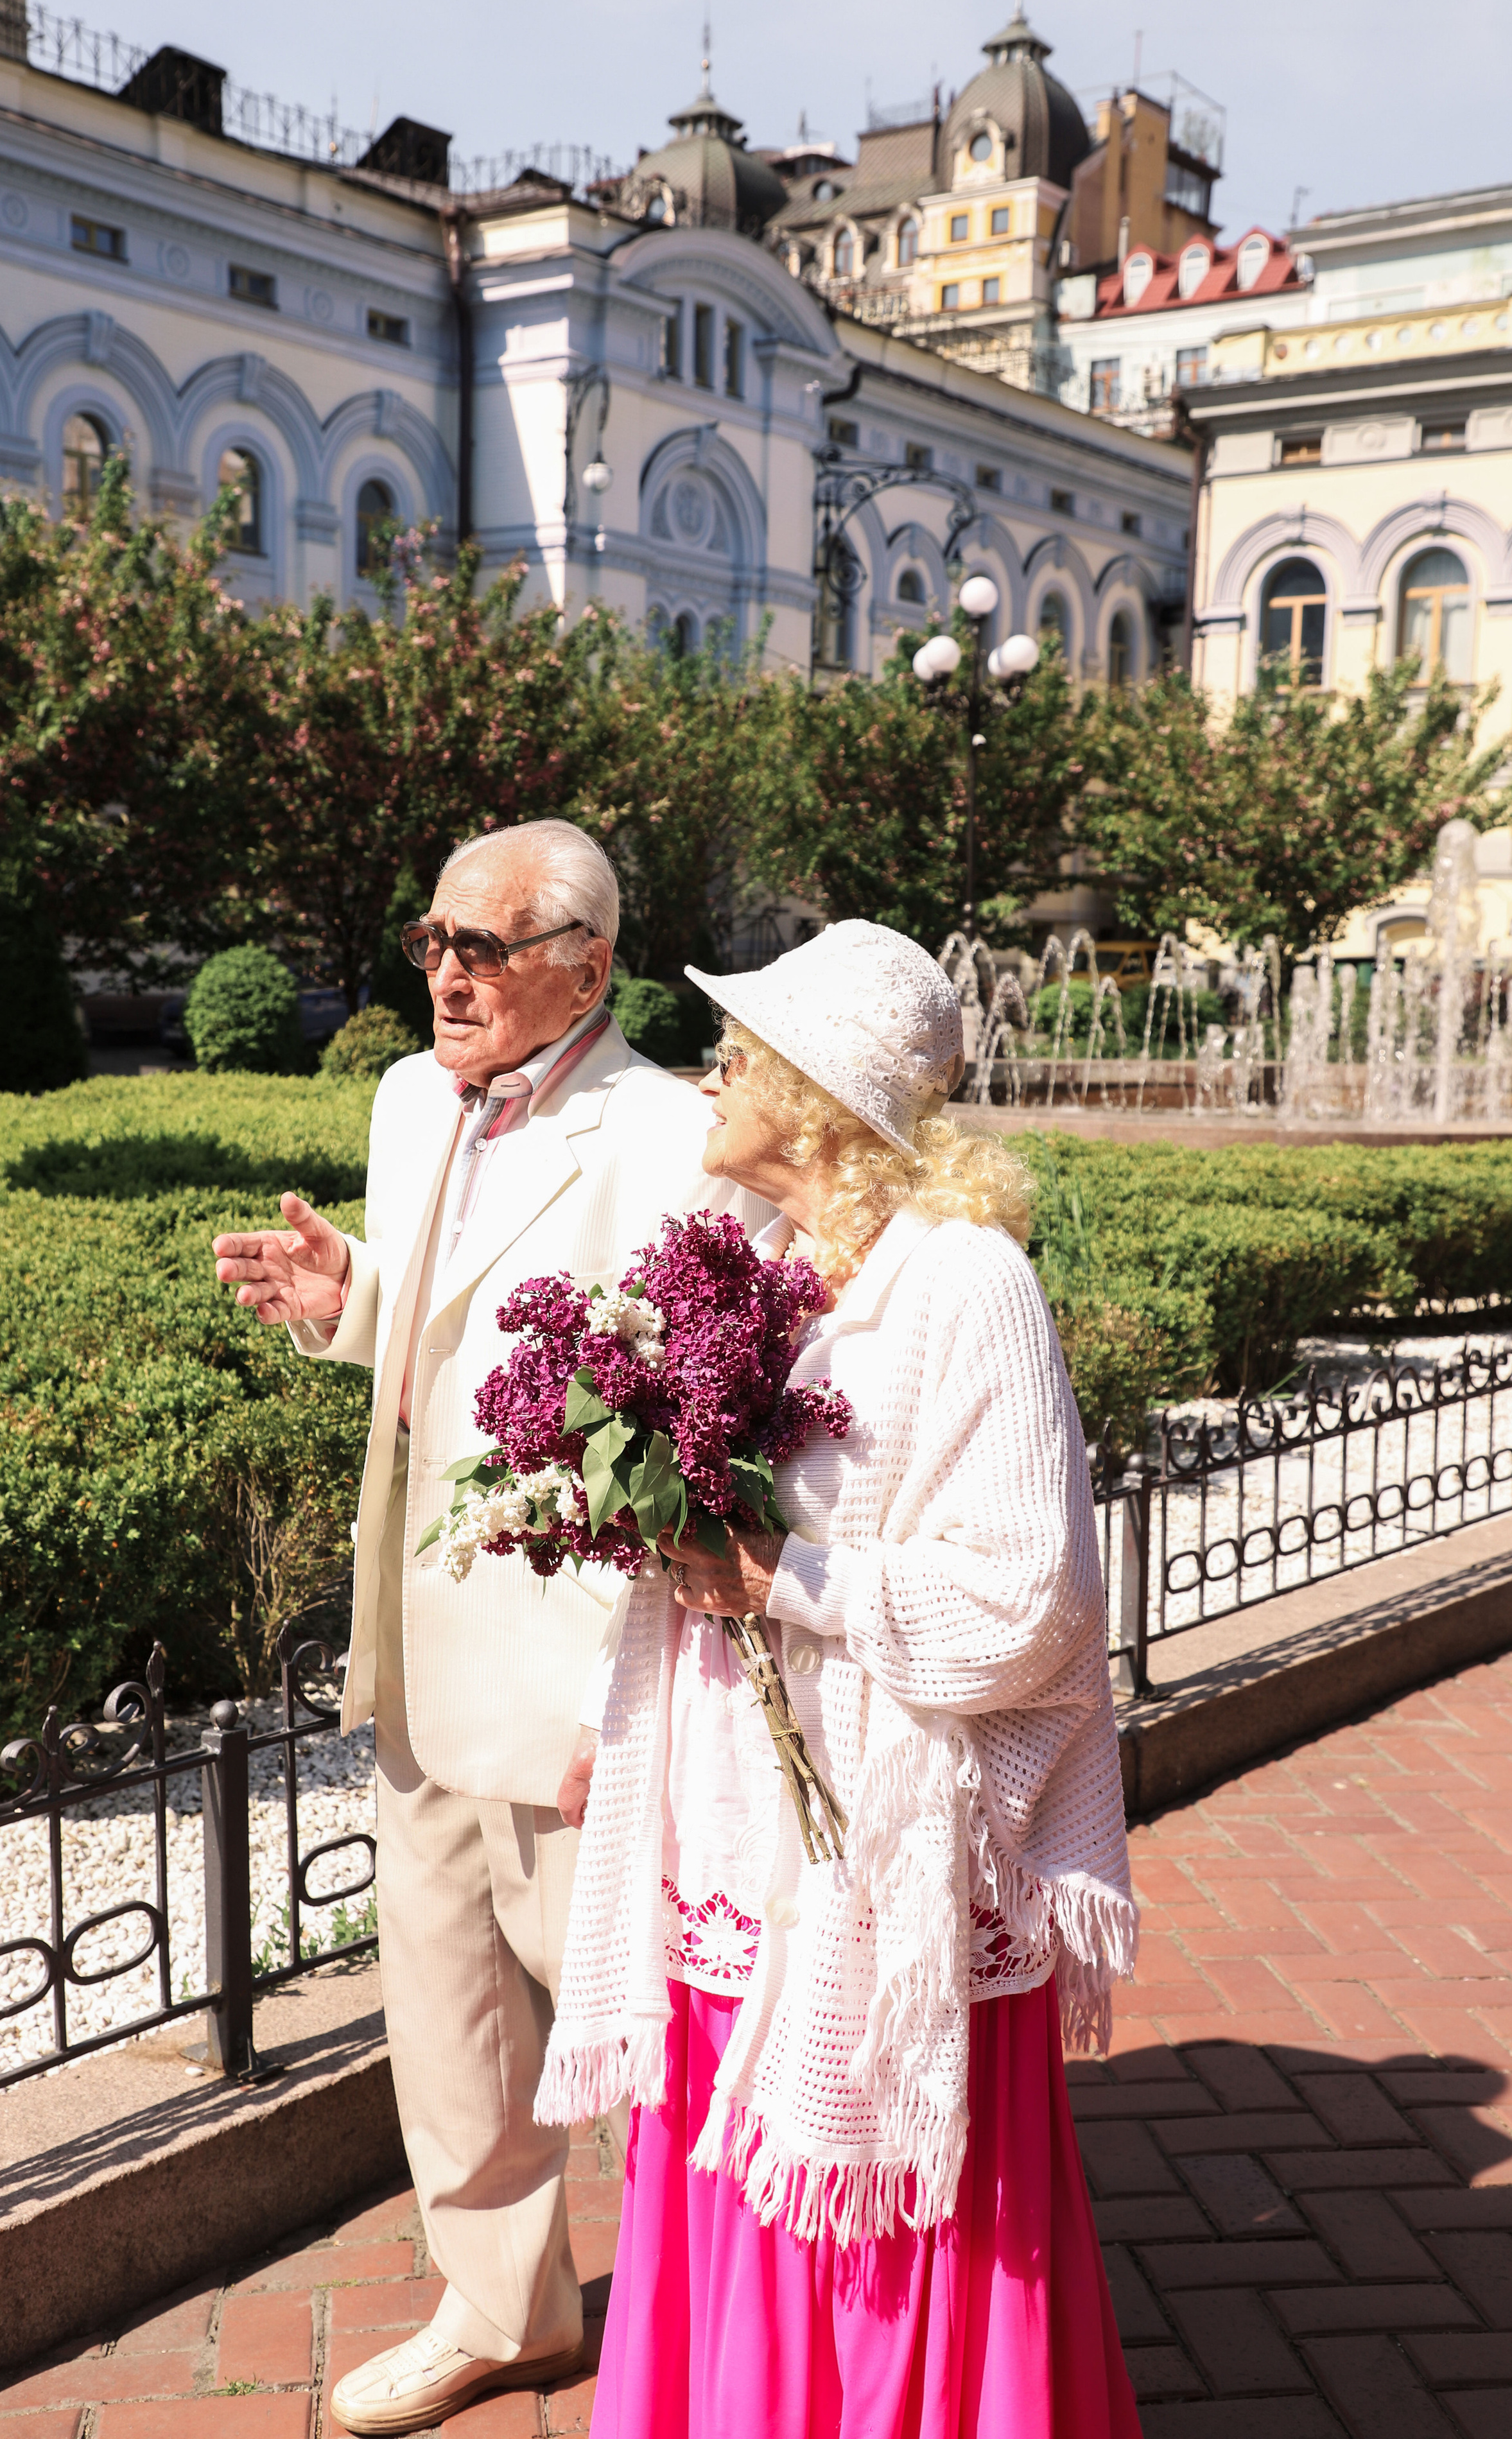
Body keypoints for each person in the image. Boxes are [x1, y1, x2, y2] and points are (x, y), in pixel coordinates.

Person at [538, 918, 1142, 2439]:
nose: (713, 1069)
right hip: (734, 1819)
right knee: (737, 2168)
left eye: (743, 1049)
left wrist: (783, 1582)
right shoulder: (768, 1274)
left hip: (882, 1840)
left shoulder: (963, 1283)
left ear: (819, 1090)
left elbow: (1033, 1602)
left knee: (872, 2206)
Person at [212, 820, 770, 2437]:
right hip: (414, 1629)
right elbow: (461, 1336)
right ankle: (500, 2305)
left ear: (588, 968)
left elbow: (692, 1427)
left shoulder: (673, 1138)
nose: (446, 973)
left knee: (642, 2023)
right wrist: (352, 1304)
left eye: (487, 946)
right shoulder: (404, 1098)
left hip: (575, 1661)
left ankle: (707, 2326)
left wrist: (641, 1695)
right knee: (444, 2007)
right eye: (433, 939)